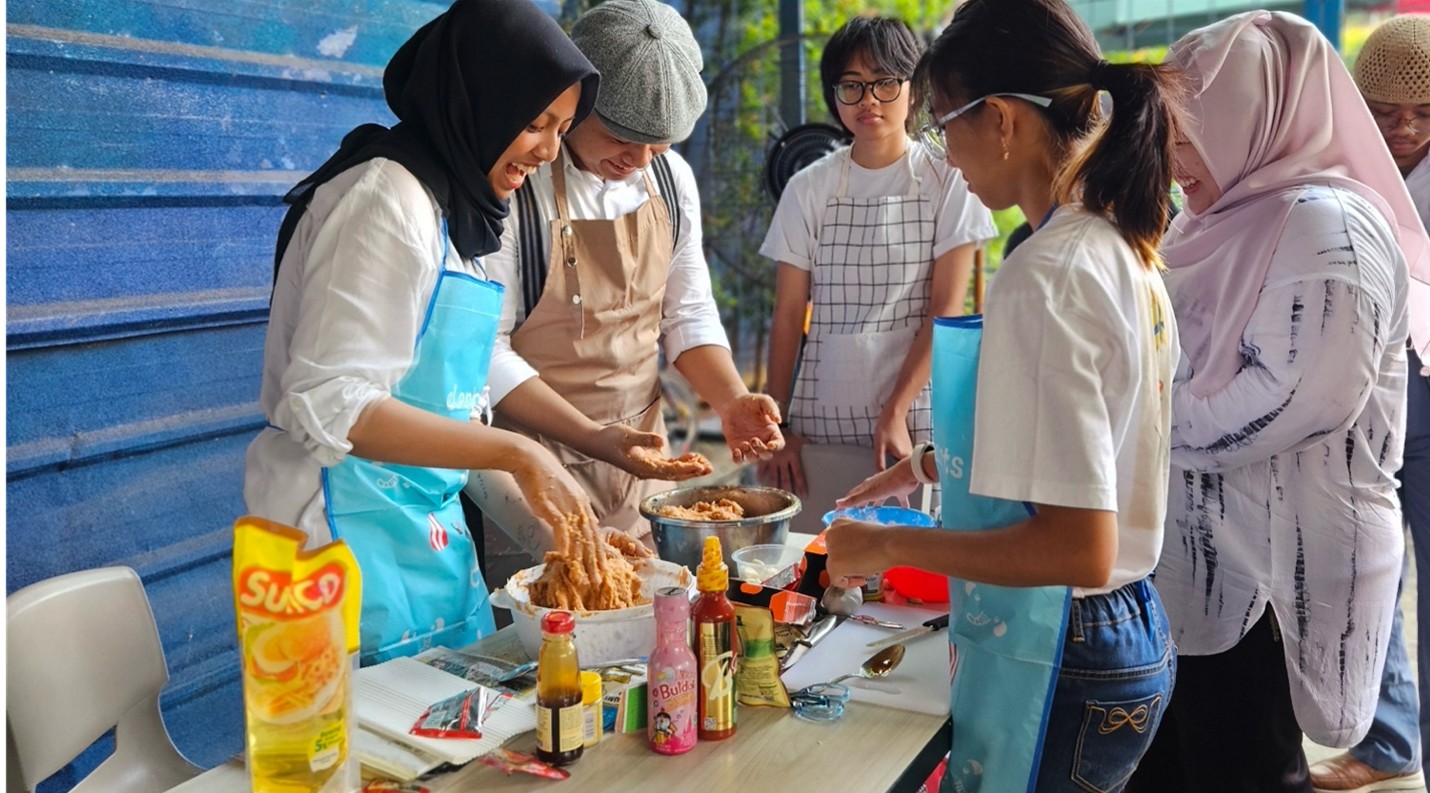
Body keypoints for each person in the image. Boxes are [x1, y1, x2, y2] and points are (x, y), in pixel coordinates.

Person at [823, 0, 1183, 788]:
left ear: (1004, 122)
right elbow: (1081, 439)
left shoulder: (1046, 273)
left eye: (944, 123)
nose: (945, 154)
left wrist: (886, 543)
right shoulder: (1116, 242)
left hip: (1067, 639)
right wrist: (924, 464)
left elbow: (1075, 545)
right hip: (1120, 628)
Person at [243, 0, 600, 665]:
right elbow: (329, 401)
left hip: (425, 549)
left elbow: (452, 410)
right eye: (535, 123)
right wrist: (520, 452)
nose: (551, 151)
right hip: (331, 549)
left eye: (564, 128)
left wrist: (566, 533)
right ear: (480, 101)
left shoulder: (462, 211)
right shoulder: (385, 199)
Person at [1124, 11, 1423, 793]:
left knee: (1248, 762)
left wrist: (1128, 424)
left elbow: (1282, 404)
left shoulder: (1330, 230)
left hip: (1274, 579)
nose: (1173, 158)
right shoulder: (1219, 218)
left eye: (1191, 134)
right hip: (1197, 564)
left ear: (1251, 119)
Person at [469, 0, 784, 554]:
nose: (638, 159)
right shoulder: (520, 184)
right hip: (532, 472)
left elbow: (685, 312)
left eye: (657, 144)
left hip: (641, 466)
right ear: (574, 98)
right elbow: (485, 351)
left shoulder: (671, 180)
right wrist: (592, 438)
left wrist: (730, 400)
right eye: (620, 138)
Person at [756, 15, 995, 531]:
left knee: (908, 577)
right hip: (820, 418)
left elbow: (947, 310)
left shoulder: (948, 178)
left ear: (914, 90)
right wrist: (780, 427)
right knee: (820, 564)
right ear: (834, 95)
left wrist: (894, 410)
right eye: (852, 86)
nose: (869, 100)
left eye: (886, 82)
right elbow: (787, 313)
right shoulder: (808, 187)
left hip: (914, 420)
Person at [1310, 14, 1430, 793]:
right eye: (1386, 113)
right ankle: (1389, 739)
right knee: (1365, 575)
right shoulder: (1333, 165)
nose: (1407, 129)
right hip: (1358, 400)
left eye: (1424, 113)